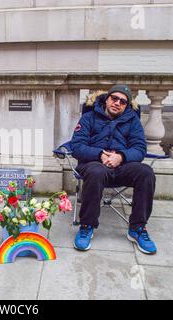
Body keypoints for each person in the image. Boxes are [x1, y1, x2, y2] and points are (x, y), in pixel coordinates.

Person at [70, 84, 157, 254]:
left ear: (127, 105)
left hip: (122, 167)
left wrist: (121, 157)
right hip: (93, 165)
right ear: (106, 99)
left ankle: (137, 228)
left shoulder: (133, 121)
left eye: (123, 101)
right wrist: (100, 155)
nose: (117, 103)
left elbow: (139, 148)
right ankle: (87, 226)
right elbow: (77, 146)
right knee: (96, 171)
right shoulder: (89, 118)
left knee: (146, 172)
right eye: (114, 98)